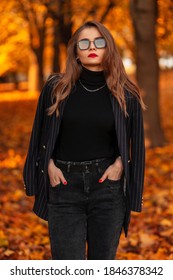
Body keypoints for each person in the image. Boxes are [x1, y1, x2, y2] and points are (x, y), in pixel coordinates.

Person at [23, 20, 145, 260]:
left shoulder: (126, 93)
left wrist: (121, 164)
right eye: (84, 42)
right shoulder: (55, 88)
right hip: (64, 187)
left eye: (99, 42)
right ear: (76, 51)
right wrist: (47, 165)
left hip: (107, 188)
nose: (92, 46)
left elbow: (135, 144)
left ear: (108, 47)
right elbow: (39, 136)